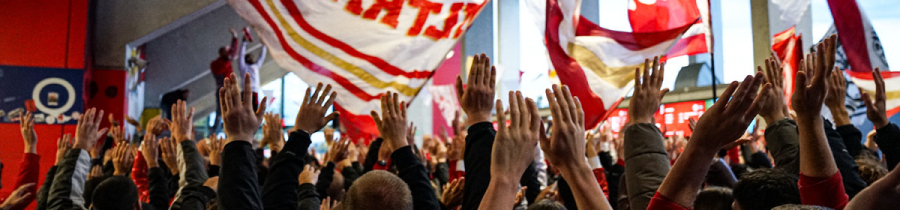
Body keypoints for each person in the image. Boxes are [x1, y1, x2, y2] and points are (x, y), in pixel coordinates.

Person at [209, 27, 240, 134]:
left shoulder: (227, 61)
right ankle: (214, 133)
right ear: (220, 53)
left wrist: (235, 36)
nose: (228, 54)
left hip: (230, 89)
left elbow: (234, 49)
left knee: (232, 109)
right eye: (225, 52)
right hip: (221, 90)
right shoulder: (215, 64)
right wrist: (228, 60)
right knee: (219, 111)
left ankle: (229, 130)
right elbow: (219, 71)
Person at [238, 27, 267, 111]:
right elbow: (241, 55)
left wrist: (264, 46)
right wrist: (244, 42)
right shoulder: (243, 67)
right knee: (244, 110)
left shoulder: (256, 66)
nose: (250, 58)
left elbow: (262, 57)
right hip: (246, 91)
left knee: (254, 110)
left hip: (254, 91)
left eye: (251, 57)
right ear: (245, 60)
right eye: (248, 58)